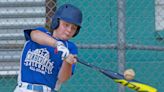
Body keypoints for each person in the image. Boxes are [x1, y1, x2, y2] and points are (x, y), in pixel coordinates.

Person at [14, 3, 83, 92]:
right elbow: (34, 35)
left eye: (73, 28)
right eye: (66, 25)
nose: (69, 30)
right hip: (23, 89)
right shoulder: (41, 32)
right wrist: (57, 44)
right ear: (56, 22)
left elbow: (62, 79)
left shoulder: (70, 48)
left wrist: (68, 63)